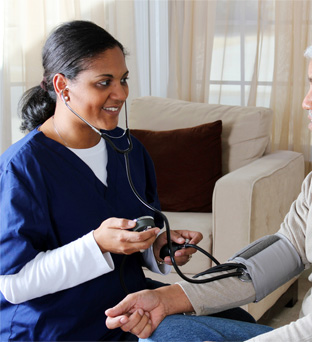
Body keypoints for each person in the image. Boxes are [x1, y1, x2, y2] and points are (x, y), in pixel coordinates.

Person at [105, 30, 312, 342]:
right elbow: (283, 251)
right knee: (164, 324)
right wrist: (171, 298)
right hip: (302, 333)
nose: (305, 102)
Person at [0, 20, 206, 341]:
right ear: (62, 86)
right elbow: (12, 285)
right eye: (104, 82)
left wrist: (159, 248)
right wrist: (96, 244)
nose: (121, 93)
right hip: (57, 325)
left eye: (123, 80)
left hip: (131, 308)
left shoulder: (129, 150)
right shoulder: (23, 167)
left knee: (232, 317)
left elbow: (139, 233)